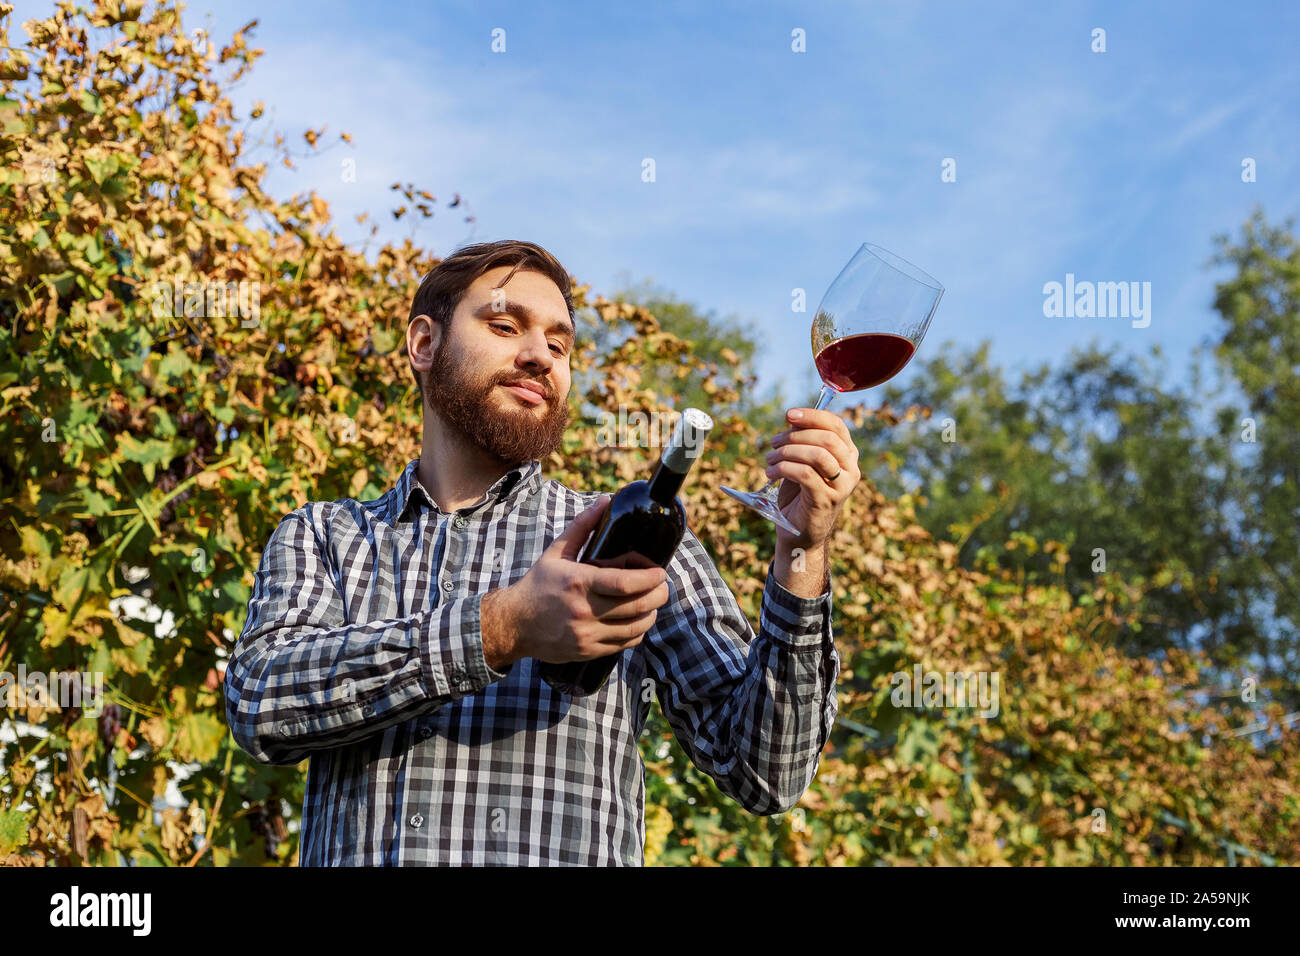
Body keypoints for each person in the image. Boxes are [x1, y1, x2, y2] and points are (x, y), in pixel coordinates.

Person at [224, 239, 860, 865]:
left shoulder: (630, 538)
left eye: (560, 345)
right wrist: (502, 627)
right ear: (424, 343)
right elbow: (258, 707)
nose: (540, 356)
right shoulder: (326, 537)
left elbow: (767, 772)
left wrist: (802, 551)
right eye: (506, 325)